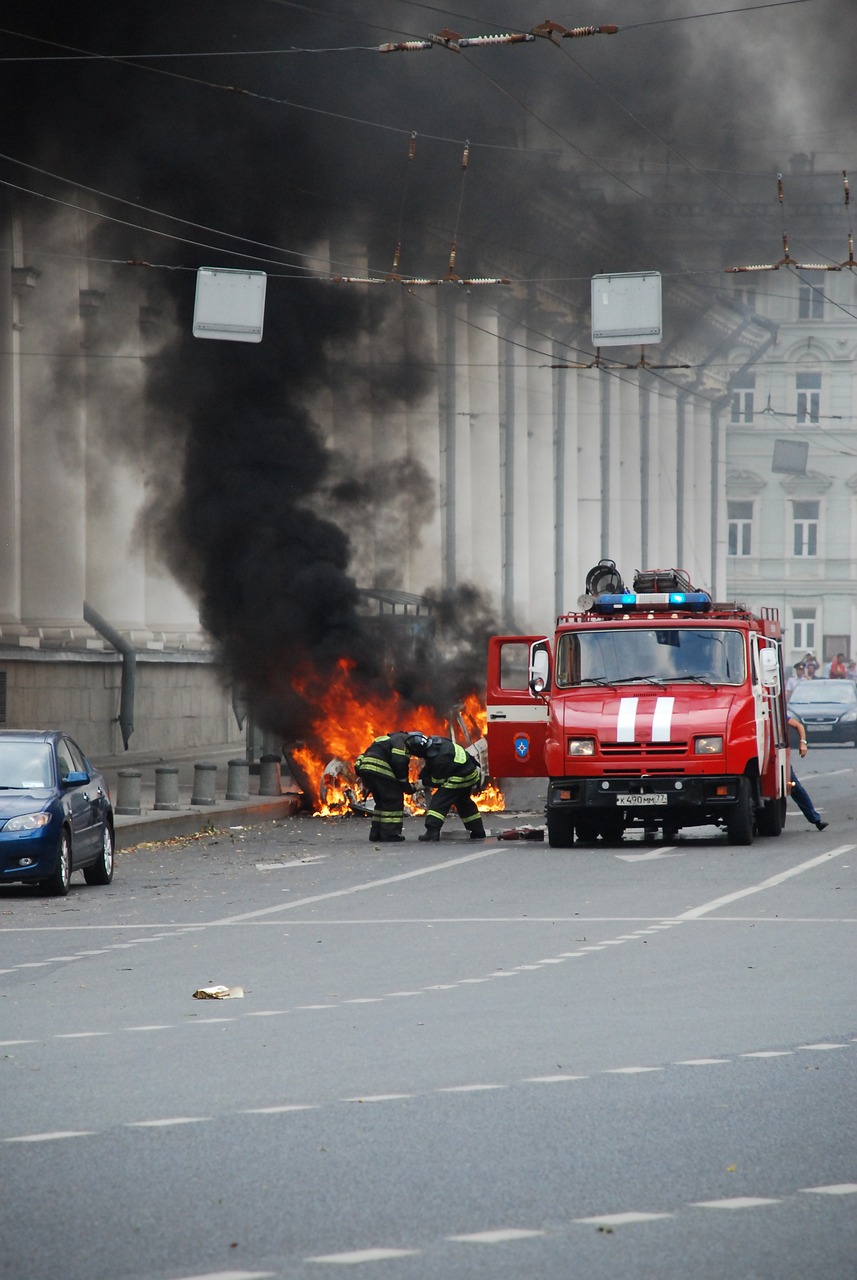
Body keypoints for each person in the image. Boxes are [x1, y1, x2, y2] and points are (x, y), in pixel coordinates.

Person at [355, 731, 429, 842]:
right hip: (379, 769)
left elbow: (364, 754)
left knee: (381, 803)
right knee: (393, 800)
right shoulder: (402, 741)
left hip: (366, 769)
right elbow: (399, 763)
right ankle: (390, 834)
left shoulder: (385, 739)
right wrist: (406, 786)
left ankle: (376, 834)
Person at [418, 736, 486, 842]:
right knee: (464, 803)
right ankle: (478, 831)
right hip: (471, 775)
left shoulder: (439, 759)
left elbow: (436, 781)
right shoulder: (440, 743)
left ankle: (432, 833)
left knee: (439, 803)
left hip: (459, 778)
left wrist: (423, 782)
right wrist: (422, 775)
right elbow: (430, 765)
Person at [787, 714, 828, 831]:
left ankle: (816, 820)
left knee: (796, 787)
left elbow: (798, 725)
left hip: (776, 756)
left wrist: (803, 743)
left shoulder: (776, 714)